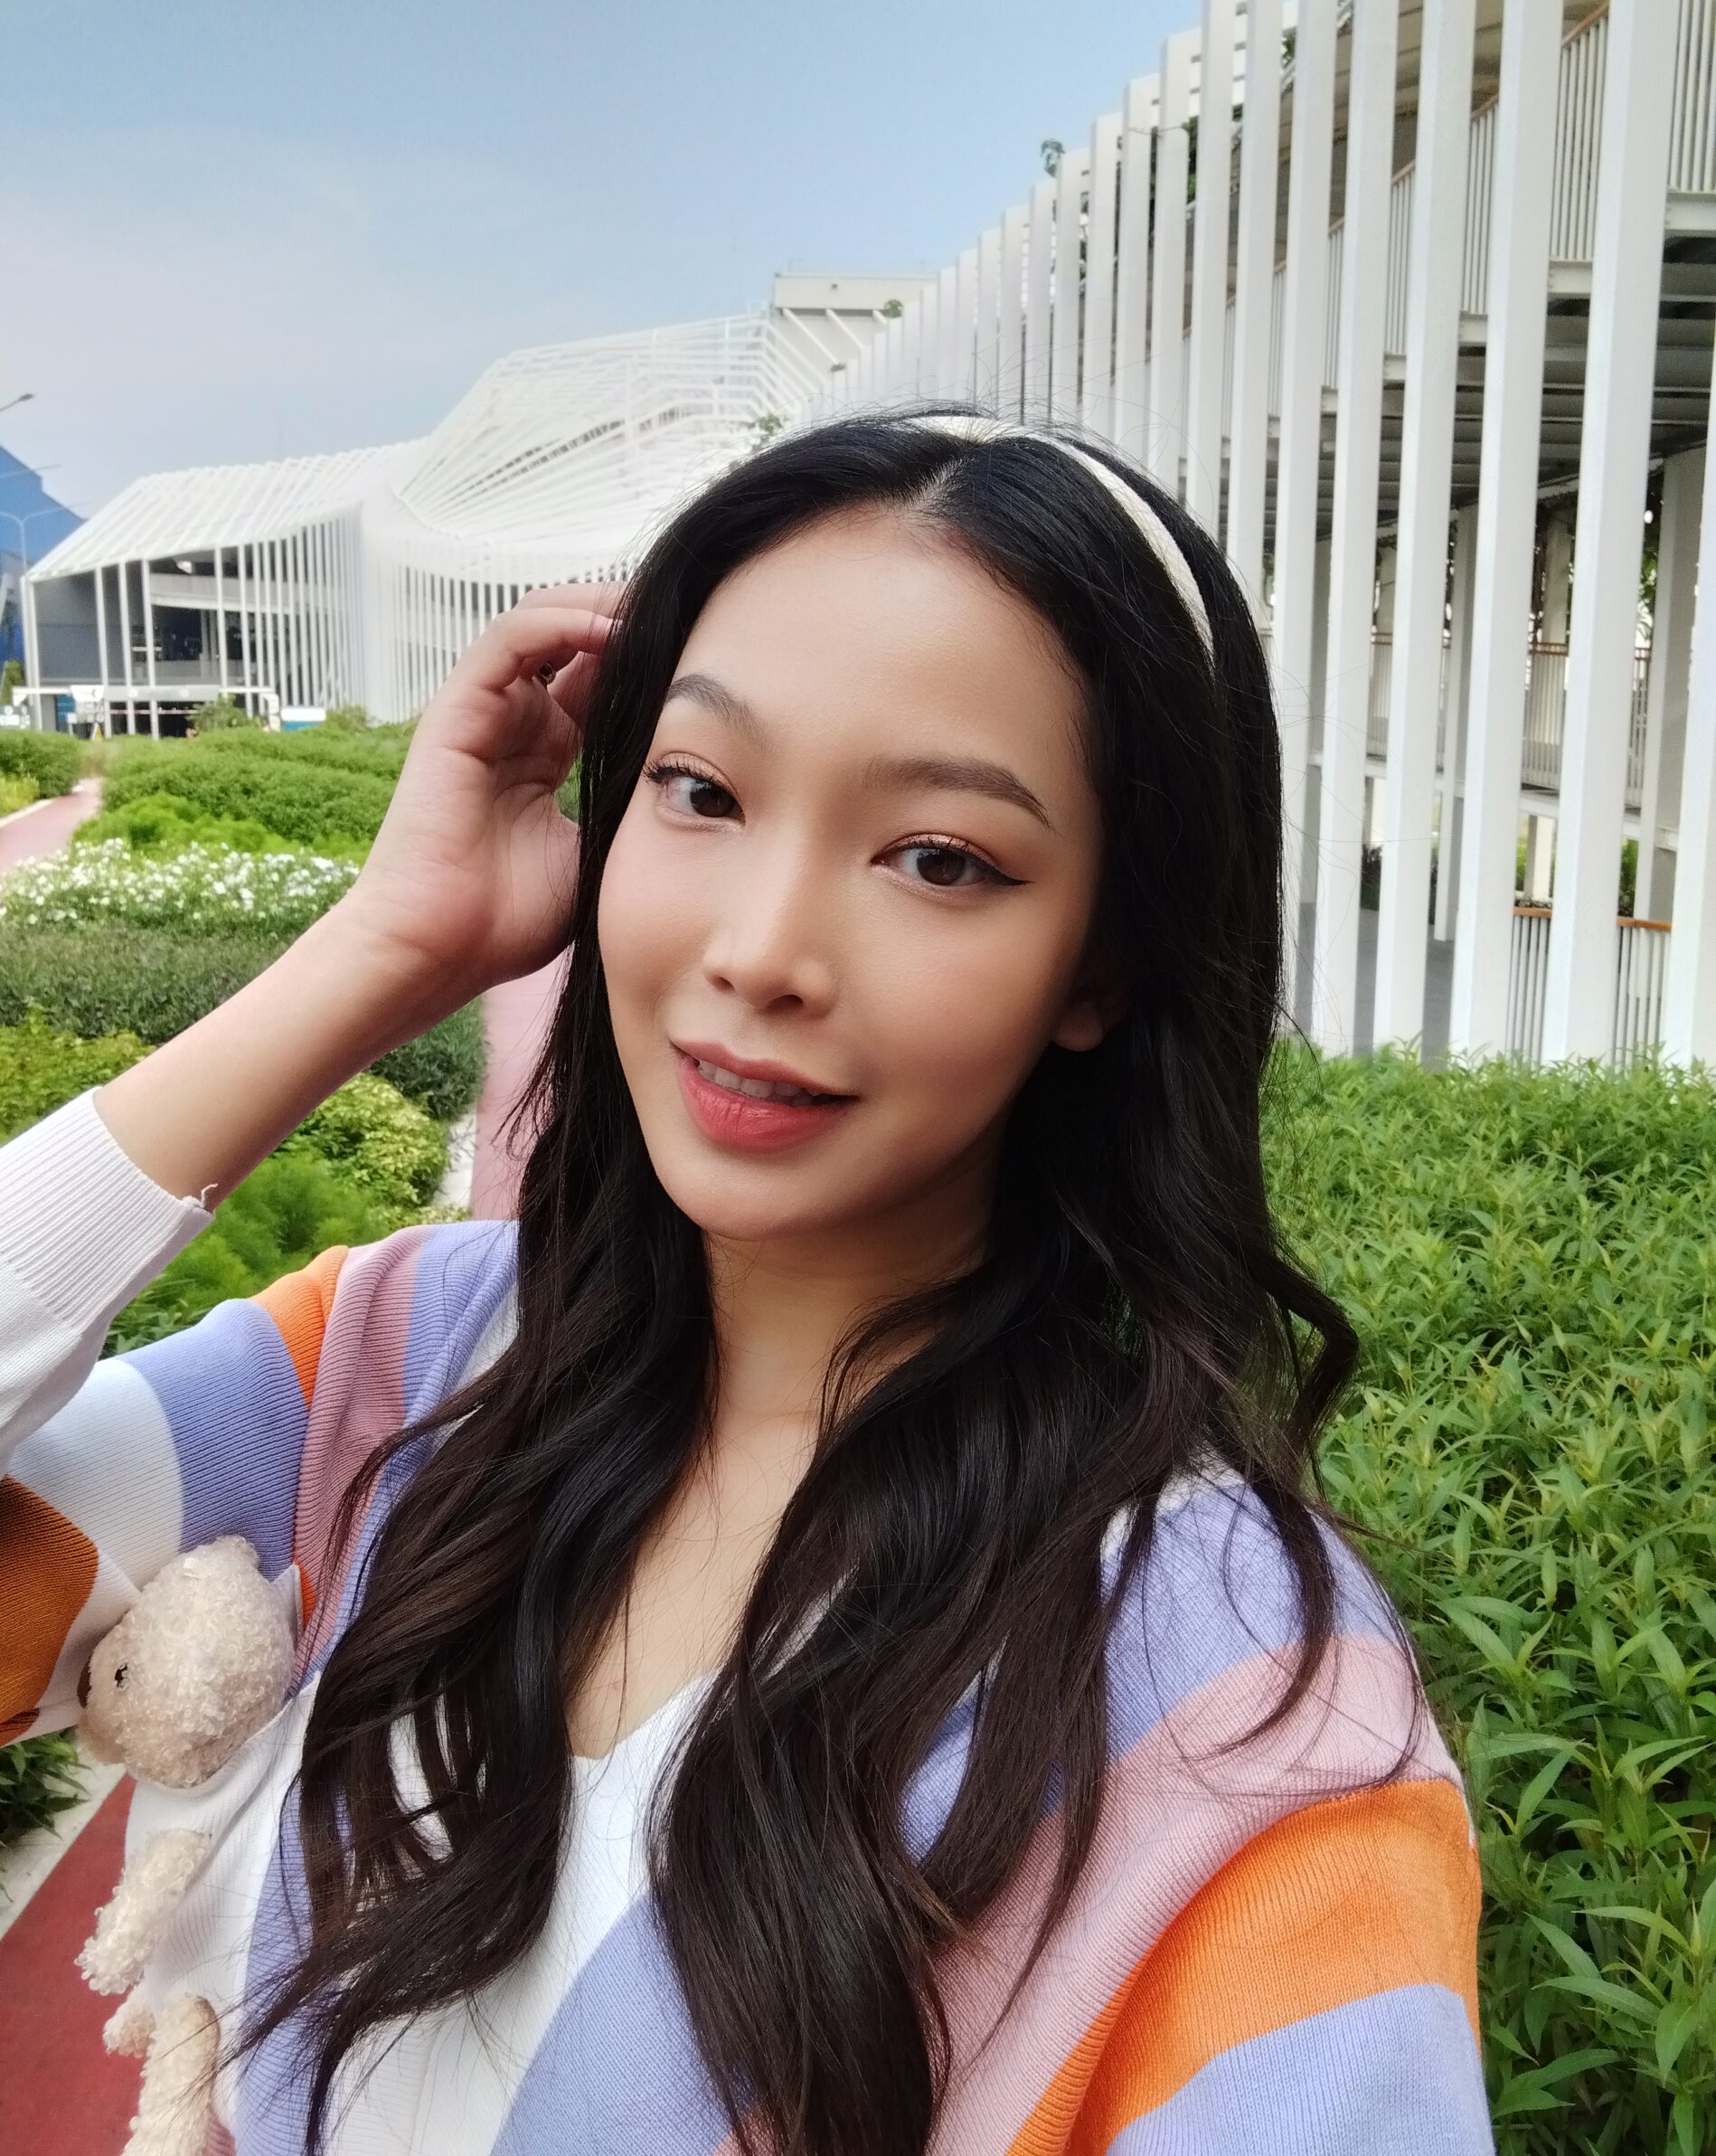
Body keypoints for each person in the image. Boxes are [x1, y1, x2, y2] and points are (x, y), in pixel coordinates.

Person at [0, 409, 1492, 2155]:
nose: (762, 949)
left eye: (939, 858)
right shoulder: (395, 1367)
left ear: (1102, 964)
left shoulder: (1235, 1711)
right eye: (700, 793)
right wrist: (378, 952)